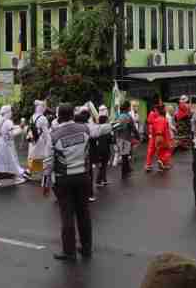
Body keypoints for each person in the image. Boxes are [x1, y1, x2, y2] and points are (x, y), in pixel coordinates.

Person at [43, 104, 102, 261]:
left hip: (64, 180)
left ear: (59, 116)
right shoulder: (85, 129)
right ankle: (87, 248)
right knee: (84, 213)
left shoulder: (54, 135)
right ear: (72, 115)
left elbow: (48, 162)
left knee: (67, 215)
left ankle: (69, 252)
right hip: (83, 177)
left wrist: (45, 183)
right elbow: (102, 130)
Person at [0, 106, 28, 187]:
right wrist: (21, 129)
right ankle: (16, 178)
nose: (11, 113)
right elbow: (11, 134)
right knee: (10, 162)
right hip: (6, 147)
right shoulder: (8, 122)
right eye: (10, 111)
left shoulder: (0, 120)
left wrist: (19, 126)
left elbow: (7, 130)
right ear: (7, 112)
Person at [27, 100, 51, 177]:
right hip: (40, 140)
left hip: (33, 139)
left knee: (33, 156)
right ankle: (40, 174)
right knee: (42, 156)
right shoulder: (43, 118)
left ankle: (30, 172)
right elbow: (46, 133)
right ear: (42, 109)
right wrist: (49, 142)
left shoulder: (32, 116)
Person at [114, 103, 138, 178]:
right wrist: (138, 136)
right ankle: (124, 174)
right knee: (125, 156)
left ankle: (127, 169)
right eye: (129, 107)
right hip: (126, 138)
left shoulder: (119, 116)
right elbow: (133, 128)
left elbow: (115, 127)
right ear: (127, 108)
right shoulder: (128, 116)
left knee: (125, 154)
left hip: (119, 138)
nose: (130, 108)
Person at [144, 98, 164, 172]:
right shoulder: (154, 113)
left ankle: (149, 165)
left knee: (152, 150)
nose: (161, 102)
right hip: (155, 133)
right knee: (156, 149)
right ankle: (152, 165)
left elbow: (149, 122)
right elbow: (150, 122)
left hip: (154, 133)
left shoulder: (153, 112)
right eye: (160, 101)